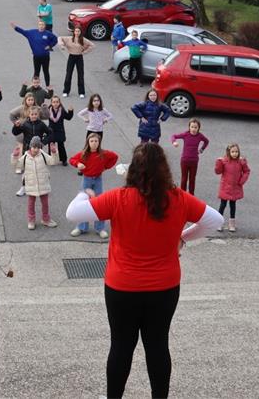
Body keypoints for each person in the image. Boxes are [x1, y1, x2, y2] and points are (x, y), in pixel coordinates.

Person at [65, 143, 222, 399]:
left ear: (134, 170)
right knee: (158, 345)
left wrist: (84, 195)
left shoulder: (118, 198)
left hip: (122, 287)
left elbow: (73, 213)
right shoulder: (178, 198)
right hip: (164, 287)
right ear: (164, 169)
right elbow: (215, 221)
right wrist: (183, 237)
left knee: (121, 346)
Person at [68, 133, 119, 238]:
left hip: (98, 179)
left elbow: (115, 157)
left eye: (96, 141)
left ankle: (100, 228)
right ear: (88, 142)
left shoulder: (103, 153)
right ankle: (81, 227)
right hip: (86, 179)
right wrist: (78, 164)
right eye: (92, 141)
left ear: (99, 142)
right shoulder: (83, 154)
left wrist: (106, 167)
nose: (94, 143)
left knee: (100, 203)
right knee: (83, 203)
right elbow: (72, 159)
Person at [15, 136, 57, 229]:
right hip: (30, 184)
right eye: (34, 147)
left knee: (45, 203)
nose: (36, 149)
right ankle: (31, 220)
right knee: (31, 203)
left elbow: (52, 162)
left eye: (38, 147)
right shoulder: (25, 157)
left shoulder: (42, 155)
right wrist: (14, 157)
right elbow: (17, 165)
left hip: (43, 183)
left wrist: (54, 153)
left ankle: (45, 219)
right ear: (30, 147)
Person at [214, 143, 250, 232]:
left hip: (235, 188)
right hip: (225, 188)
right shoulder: (224, 161)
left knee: (233, 206)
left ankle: (232, 224)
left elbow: (247, 171)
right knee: (222, 205)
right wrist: (218, 162)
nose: (235, 153)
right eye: (233, 152)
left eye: (236, 152)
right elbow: (218, 171)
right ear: (228, 152)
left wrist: (241, 181)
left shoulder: (241, 162)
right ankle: (219, 222)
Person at [11, 20, 58, 87]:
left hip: (45, 56)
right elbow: (23, 32)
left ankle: (48, 86)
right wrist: (15, 27)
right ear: (38, 25)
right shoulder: (32, 33)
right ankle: (35, 85)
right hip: (36, 57)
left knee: (46, 71)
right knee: (36, 72)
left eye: (42, 25)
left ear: (44, 26)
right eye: (40, 24)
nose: (41, 26)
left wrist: (50, 46)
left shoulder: (48, 33)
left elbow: (55, 39)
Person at [170, 118, 210, 195]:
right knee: (184, 179)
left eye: (195, 127)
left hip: (194, 161)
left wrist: (201, 149)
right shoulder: (186, 134)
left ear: (198, 128)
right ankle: (182, 194)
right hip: (184, 160)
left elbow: (206, 141)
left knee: (192, 179)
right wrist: (174, 142)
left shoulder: (200, 136)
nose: (193, 129)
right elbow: (173, 136)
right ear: (189, 127)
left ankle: (191, 195)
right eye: (192, 127)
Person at [58, 26, 94, 98]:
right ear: (74, 32)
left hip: (79, 57)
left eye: (78, 31)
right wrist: (61, 45)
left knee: (80, 75)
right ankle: (66, 91)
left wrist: (84, 52)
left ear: (80, 32)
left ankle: (81, 92)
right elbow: (59, 38)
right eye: (76, 31)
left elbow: (92, 45)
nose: (77, 33)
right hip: (71, 57)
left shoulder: (83, 40)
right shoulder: (69, 39)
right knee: (68, 74)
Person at [46, 94, 75, 165]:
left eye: (57, 102)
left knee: (61, 145)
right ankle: (51, 159)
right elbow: (43, 116)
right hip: (51, 130)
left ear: (59, 103)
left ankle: (63, 160)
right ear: (51, 103)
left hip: (60, 130)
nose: (55, 103)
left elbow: (68, 117)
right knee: (51, 145)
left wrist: (70, 111)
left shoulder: (62, 110)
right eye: (54, 102)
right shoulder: (48, 110)